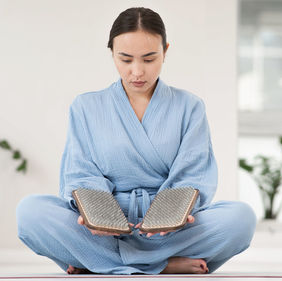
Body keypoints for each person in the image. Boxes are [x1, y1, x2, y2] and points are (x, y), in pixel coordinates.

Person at [16, 7, 256, 275]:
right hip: (103, 228)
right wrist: (96, 215)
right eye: (126, 60)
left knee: (240, 219)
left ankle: (98, 263)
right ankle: (164, 265)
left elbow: (194, 173)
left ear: (166, 51)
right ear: (112, 54)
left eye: (149, 59)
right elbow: (80, 172)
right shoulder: (85, 107)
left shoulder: (190, 107)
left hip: (169, 228)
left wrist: (173, 215)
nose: (137, 72)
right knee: (31, 213)